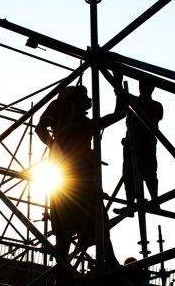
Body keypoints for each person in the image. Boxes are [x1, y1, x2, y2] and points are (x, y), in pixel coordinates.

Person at [35, 85, 124, 283]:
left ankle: (108, 263)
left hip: (84, 175)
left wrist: (119, 89)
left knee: (98, 221)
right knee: (65, 232)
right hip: (67, 174)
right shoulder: (60, 109)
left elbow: (118, 115)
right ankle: (64, 273)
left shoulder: (85, 122)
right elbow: (40, 128)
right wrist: (54, 145)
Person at [121, 81, 163, 204]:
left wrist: (132, 101)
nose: (143, 87)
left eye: (146, 85)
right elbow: (119, 94)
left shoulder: (156, 105)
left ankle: (155, 201)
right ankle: (130, 203)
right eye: (142, 84)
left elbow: (153, 118)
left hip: (147, 143)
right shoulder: (132, 101)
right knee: (129, 173)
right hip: (131, 142)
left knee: (150, 172)